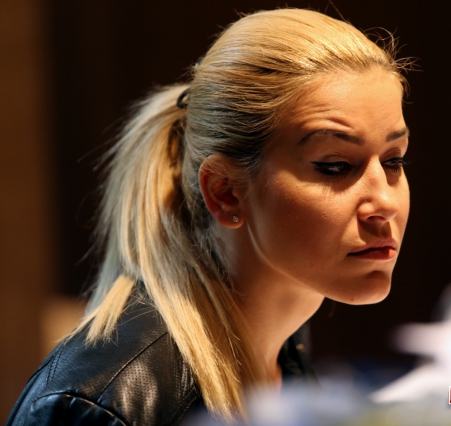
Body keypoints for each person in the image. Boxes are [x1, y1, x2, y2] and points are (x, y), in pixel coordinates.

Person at [6, 8, 411, 425]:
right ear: (225, 192)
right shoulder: (106, 403)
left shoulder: (284, 339)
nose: (385, 201)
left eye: (394, 160)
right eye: (335, 166)